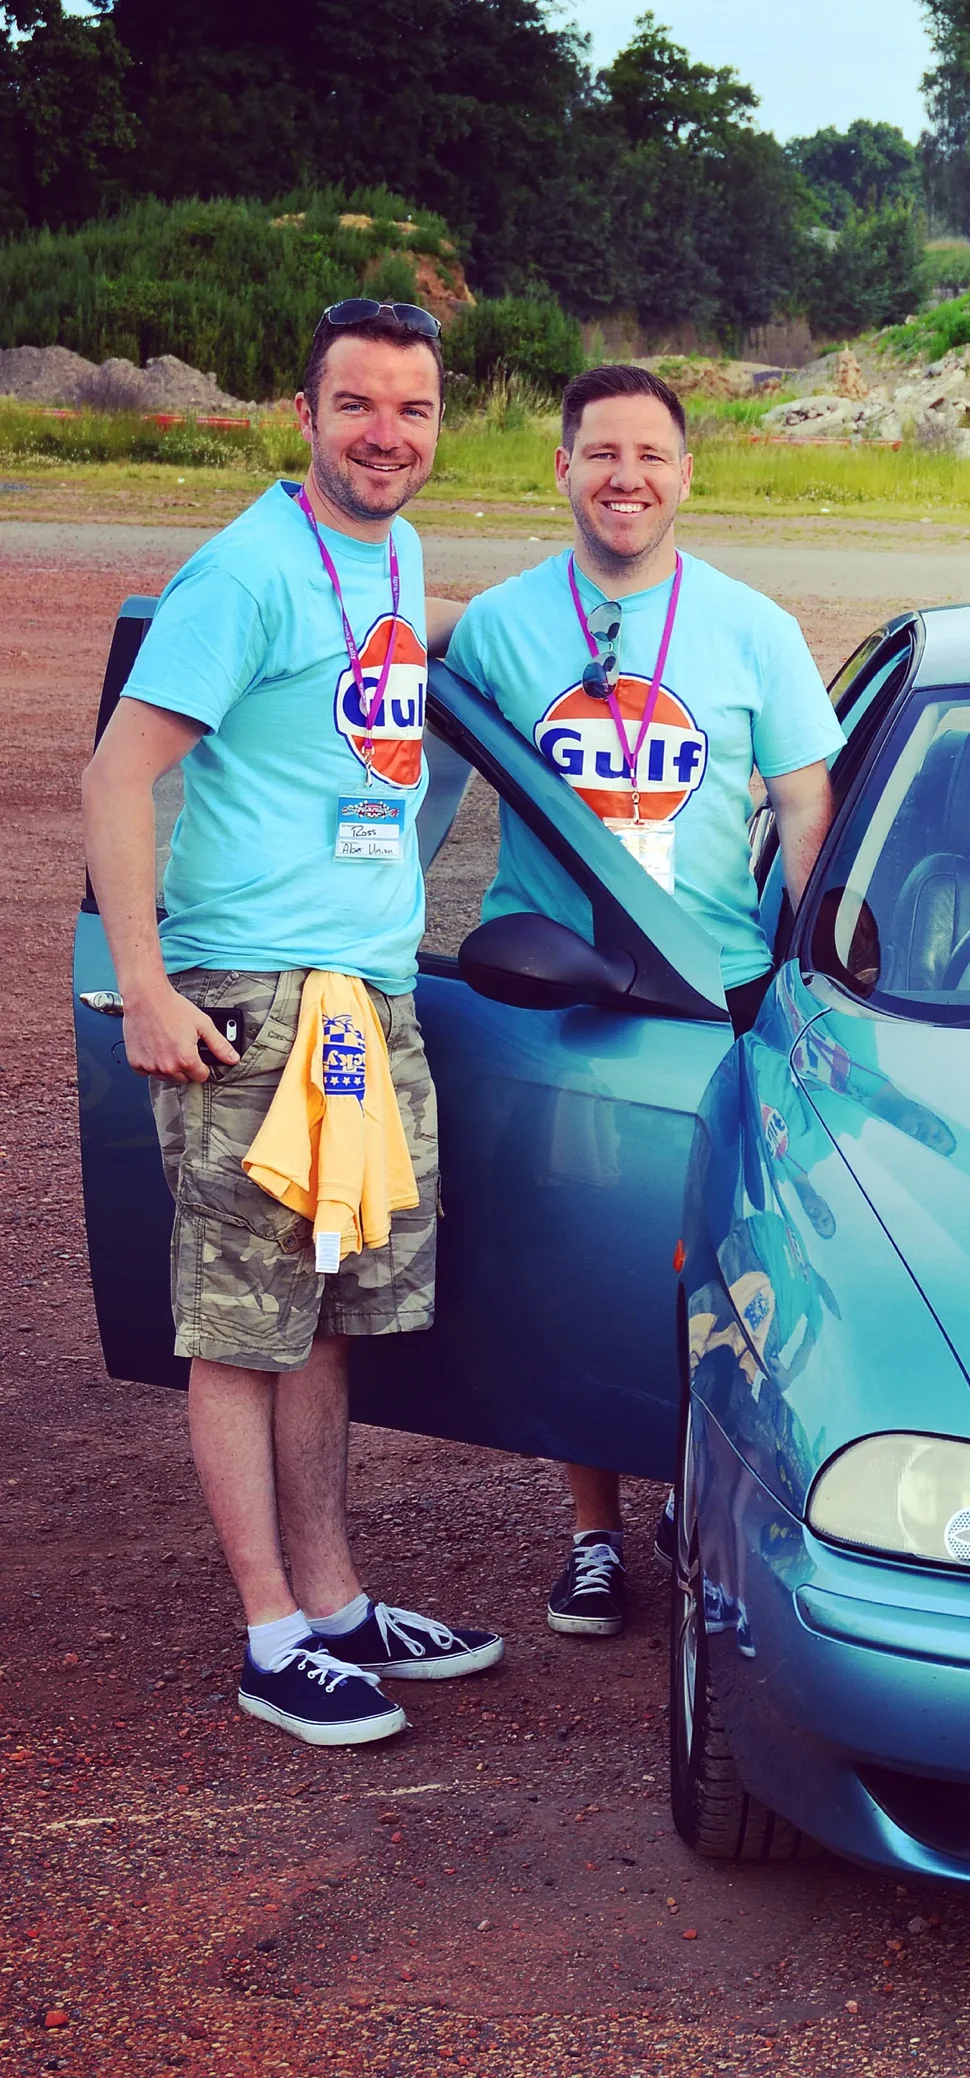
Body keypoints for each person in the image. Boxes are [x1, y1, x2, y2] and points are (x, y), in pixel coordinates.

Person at [79, 301, 504, 1748]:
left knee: (321, 1319)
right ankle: (270, 1631)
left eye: (414, 410)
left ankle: (334, 1603)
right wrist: (145, 986)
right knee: (243, 1330)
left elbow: (387, 673)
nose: (387, 434)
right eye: (358, 407)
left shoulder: (390, 550)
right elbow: (115, 777)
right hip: (248, 999)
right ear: (302, 412)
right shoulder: (246, 570)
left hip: (358, 996)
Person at [444, 363, 841, 1640]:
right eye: (600, 452)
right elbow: (413, 787)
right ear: (558, 468)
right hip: (562, 993)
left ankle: (696, 1499)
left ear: (688, 473)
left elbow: (803, 806)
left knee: (711, 1265)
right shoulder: (499, 627)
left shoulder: (753, 627)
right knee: (578, 1253)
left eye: (651, 455)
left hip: (710, 986)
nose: (626, 476)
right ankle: (593, 1533)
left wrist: (816, 959)